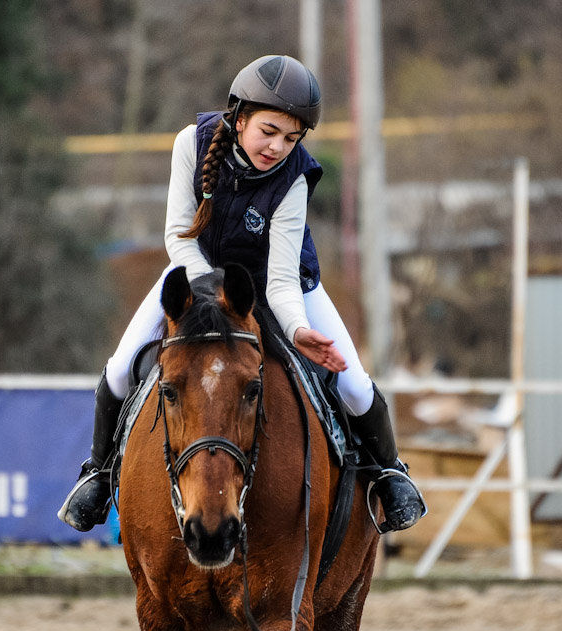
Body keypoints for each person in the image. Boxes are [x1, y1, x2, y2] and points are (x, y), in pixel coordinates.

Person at [59, 55, 425, 535]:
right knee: (122, 367)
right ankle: (99, 475)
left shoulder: (295, 175)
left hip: (282, 284)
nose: (277, 146)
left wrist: (297, 330)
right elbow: (178, 236)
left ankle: (389, 473)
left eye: (291, 138)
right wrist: (207, 289)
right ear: (239, 116)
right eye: (269, 131)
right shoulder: (190, 143)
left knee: (354, 384)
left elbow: (279, 280)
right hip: (193, 272)